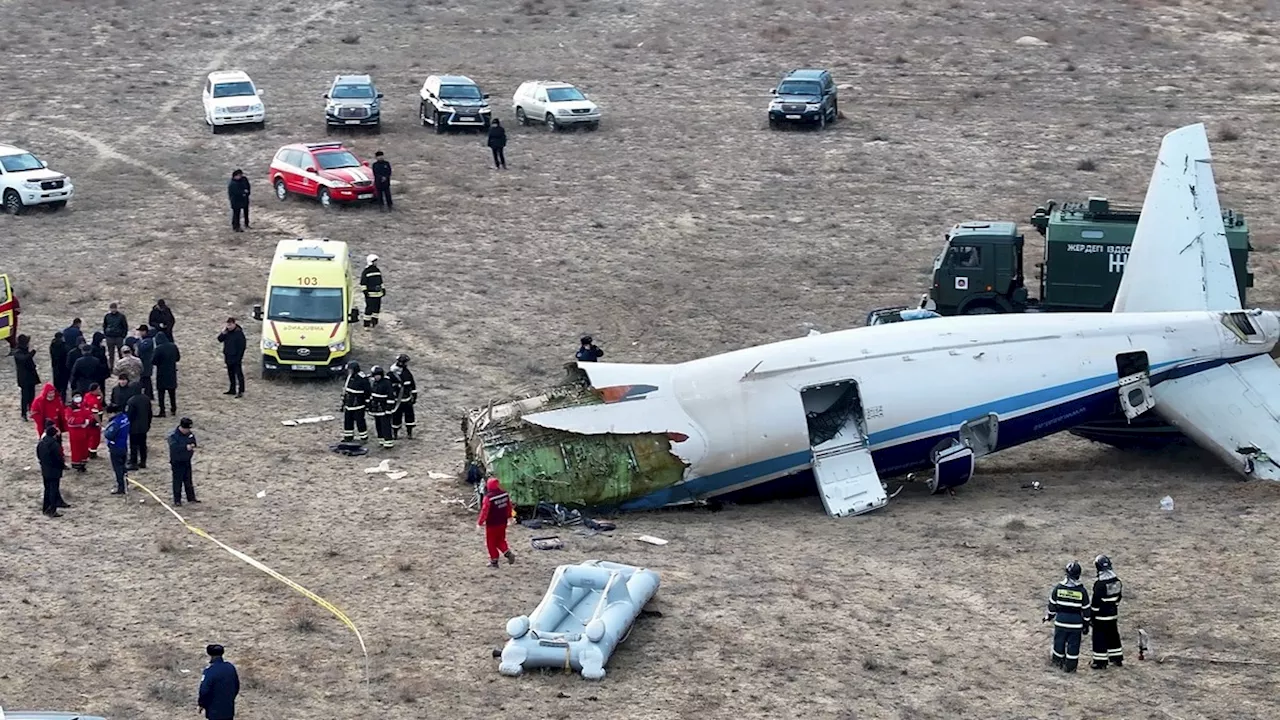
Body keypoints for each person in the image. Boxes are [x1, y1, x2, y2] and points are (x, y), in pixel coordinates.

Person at [1044, 560, 1091, 673]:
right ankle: (1070, 668)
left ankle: (1057, 663)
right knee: (1073, 646)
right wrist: (1086, 625)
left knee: (1059, 643)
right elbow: (1086, 610)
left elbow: (1052, 606)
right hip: (1076, 624)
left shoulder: (1058, 588)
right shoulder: (1082, 591)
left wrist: (1049, 617)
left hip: (1061, 622)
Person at [1090, 554, 1124, 669]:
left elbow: (1095, 603)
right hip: (1113, 615)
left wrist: (1092, 615)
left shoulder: (1099, 584)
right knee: (1113, 635)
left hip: (1100, 617)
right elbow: (1119, 597)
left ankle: (1100, 662)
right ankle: (1117, 658)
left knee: (1099, 638)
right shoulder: (1117, 581)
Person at [476, 477, 516, 567]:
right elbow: (508, 507)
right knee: (501, 539)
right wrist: (510, 517)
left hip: (492, 524)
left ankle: (494, 560)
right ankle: (507, 552)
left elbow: (484, 511)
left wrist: (480, 522)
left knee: (491, 542)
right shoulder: (505, 494)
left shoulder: (488, 498)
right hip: (503, 522)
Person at [198, 643, 240, 720]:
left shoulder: (210, 670)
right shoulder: (230, 667)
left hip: (214, 710)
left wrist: (202, 704)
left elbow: (204, 690)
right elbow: (236, 686)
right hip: (228, 708)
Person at [37, 420, 68, 517]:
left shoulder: (42, 443)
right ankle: (52, 510)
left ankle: (46, 508)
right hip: (54, 471)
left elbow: (38, 454)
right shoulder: (54, 445)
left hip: (45, 469)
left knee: (47, 489)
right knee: (53, 490)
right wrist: (62, 466)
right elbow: (58, 458)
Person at [167, 416, 199, 505]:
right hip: (177, 461)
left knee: (188, 479)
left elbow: (193, 440)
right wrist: (185, 447)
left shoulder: (189, 434)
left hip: (186, 460)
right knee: (177, 481)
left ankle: (191, 498)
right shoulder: (173, 435)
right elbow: (173, 447)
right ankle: (177, 500)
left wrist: (192, 445)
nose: (188, 430)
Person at [368, 365, 398, 449]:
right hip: (376, 408)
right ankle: (381, 440)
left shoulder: (387, 383)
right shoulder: (374, 382)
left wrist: (388, 409)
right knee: (378, 424)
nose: (376, 377)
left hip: (384, 408)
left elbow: (391, 397)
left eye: (377, 375)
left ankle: (388, 442)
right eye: (374, 375)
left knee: (385, 425)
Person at [64, 393, 95, 473]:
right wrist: (83, 421)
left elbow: (90, 414)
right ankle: (76, 464)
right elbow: (70, 420)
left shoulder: (84, 405)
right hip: (75, 432)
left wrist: (89, 421)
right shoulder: (70, 408)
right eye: (76, 396)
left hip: (84, 431)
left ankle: (83, 463)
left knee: (84, 447)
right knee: (76, 448)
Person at [340, 361, 370, 443]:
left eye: (350, 369)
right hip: (349, 403)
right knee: (348, 421)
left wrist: (367, 404)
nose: (349, 371)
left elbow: (367, 392)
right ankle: (348, 437)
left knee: (360, 421)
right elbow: (346, 389)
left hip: (358, 404)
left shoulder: (362, 378)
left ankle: (364, 438)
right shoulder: (349, 377)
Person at [152, 331, 180, 417]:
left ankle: (162, 411)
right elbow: (178, 358)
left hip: (162, 373)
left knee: (161, 393)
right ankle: (173, 409)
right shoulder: (173, 346)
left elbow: (154, 361)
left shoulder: (158, 349)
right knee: (172, 393)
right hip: (172, 373)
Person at [389, 353, 417, 439]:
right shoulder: (391, 374)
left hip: (407, 400)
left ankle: (409, 433)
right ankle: (395, 433)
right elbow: (388, 387)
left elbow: (412, 385)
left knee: (410, 416)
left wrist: (414, 395)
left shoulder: (407, 372)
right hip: (397, 400)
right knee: (396, 417)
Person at [217, 317, 246, 397]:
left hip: (236, 357)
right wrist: (222, 333)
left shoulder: (239, 333)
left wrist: (239, 358)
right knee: (230, 374)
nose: (229, 327)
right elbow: (219, 339)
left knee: (239, 374)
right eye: (227, 325)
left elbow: (242, 347)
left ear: (234, 324)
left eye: (230, 325)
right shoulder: (227, 332)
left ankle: (241, 391)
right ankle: (232, 389)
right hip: (228, 356)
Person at [104, 409, 130, 495]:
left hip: (116, 447)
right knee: (123, 467)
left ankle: (121, 488)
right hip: (124, 446)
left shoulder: (116, 423)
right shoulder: (125, 418)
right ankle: (126, 483)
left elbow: (109, 435)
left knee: (118, 468)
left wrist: (105, 430)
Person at [126, 389, 153, 470]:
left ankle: (133, 462)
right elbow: (149, 413)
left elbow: (129, 415)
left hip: (134, 427)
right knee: (143, 445)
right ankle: (143, 462)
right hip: (144, 426)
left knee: (133, 445)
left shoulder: (131, 401)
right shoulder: (146, 399)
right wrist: (148, 424)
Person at [13, 334, 38, 420]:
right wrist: (32, 353)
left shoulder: (24, 350)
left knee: (32, 395)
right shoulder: (17, 352)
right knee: (25, 396)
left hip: (31, 376)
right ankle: (24, 413)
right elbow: (23, 359)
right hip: (24, 378)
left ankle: (31, 410)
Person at [359, 254, 384, 328]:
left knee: (376, 309)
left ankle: (374, 322)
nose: (376, 263)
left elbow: (380, 281)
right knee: (369, 309)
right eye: (374, 261)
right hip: (370, 295)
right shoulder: (366, 272)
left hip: (378, 294)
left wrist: (383, 289)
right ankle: (366, 324)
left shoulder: (377, 270)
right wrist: (365, 292)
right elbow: (363, 283)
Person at [102, 303, 129, 369]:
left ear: (116, 308)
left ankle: (121, 367)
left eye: (114, 308)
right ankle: (111, 368)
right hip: (110, 337)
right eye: (112, 308)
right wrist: (106, 334)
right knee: (111, 354)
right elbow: (104, 325)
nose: (113, 310)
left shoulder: (121, 316)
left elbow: (125, 326)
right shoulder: (107, 316)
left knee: (121, 353)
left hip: (119, 337)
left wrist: (123, 335)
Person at [133, 324, 156, 398]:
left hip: (146, 363)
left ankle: (148, 394)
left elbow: (142, 348)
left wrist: (137, 341)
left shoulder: (148, 340)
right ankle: (148, 394)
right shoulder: (144, 340)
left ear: (145, 331)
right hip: (144, 362)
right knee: (145, 379)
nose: (139, 333)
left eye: (140, 331)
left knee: (146, 379)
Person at [84, 382, 105, 457]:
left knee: (89, 436)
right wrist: (100, 423)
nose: (99, 390)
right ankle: (92, 453)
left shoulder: (87, 395)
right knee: (95, 437)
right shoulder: (93, 401)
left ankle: (89, 451)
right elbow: (95, 413)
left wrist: (101, 396)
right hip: (94, 420)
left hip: (89, 419)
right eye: (98, 389)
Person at [49, 331, 70, 401]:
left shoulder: (52, 346)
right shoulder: (64, 347)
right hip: (64, 369)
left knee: (57, 386)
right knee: (63, 387)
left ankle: (56, 401)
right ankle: (63, 401)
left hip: (55, 368)